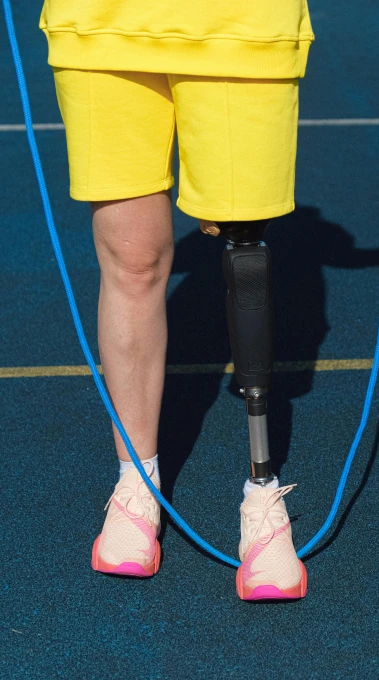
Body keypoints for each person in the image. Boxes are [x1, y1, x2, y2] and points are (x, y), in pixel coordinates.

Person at [39, 0, 314, 599]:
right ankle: (136, 485)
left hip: (241, 25)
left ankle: (262, 495)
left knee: (246, 250)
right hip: (102, 23)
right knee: (131, 257)